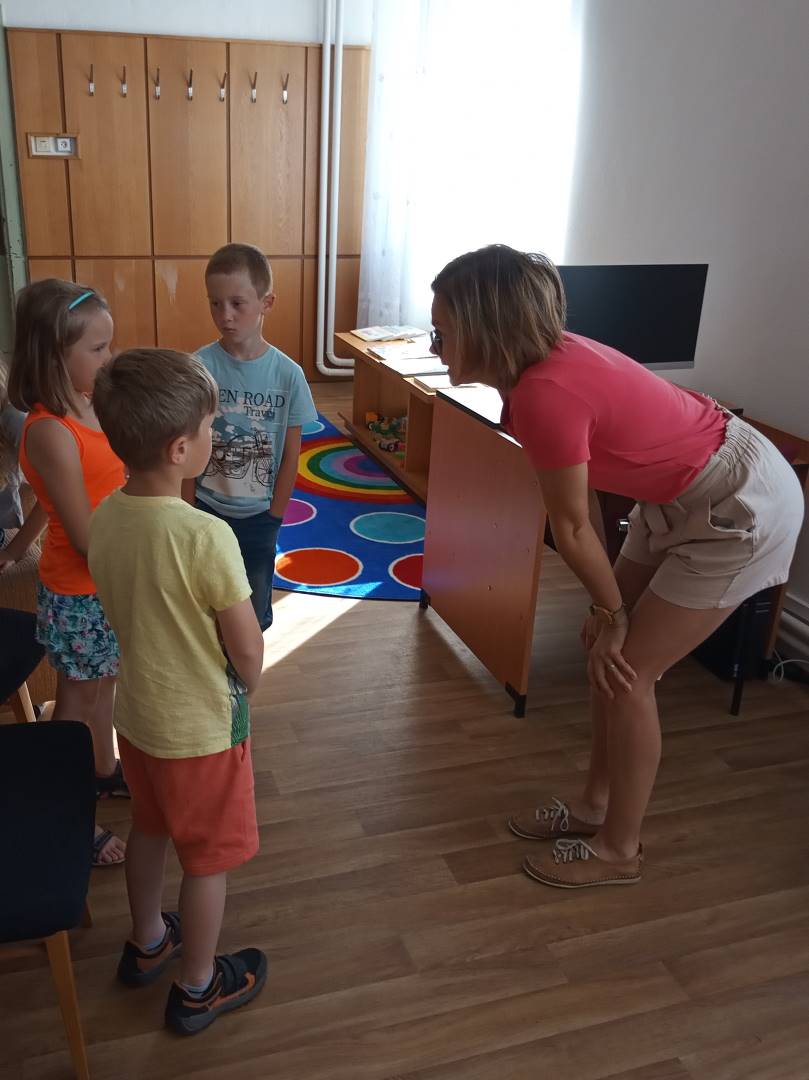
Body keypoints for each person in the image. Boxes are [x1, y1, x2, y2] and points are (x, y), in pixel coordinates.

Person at [429, 244, 805, 889]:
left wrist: (612, 613)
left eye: (444, 331)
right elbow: (587, 507)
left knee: (628, 674)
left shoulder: (546, 393)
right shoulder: (538, 369)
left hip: (737, 504)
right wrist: (607, 611)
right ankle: (592, 806)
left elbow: (572, 527)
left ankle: (619, 850)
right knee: (605, 655)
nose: (435, 345)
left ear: (489, 330)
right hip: (680, 493)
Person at [89, 347, 267, 1035]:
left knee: (150, 827)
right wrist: (250, 680)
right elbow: (245, 645)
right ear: (180, 448)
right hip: (200, 731)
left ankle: (146, 940)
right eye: (211, 426)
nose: (215, 435)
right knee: (207, 860)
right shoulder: (206, 536)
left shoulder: (107, 516)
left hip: (137, 719)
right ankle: (197, 985)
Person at [7, 279, 127, 867]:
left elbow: (54, 498)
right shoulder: (50, 429)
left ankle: (104, 772)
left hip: (109, 581)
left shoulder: (88, 402)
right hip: (82, 591)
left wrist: (15, 546)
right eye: (98, 349)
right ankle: (72, 819)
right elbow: (82, 534)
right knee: (75, 708)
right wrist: (154, 553)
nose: (110, 358)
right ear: (55, 357)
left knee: (105, 687)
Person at [186, 242, 317, 630]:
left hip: (260, 519)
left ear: (266, 302)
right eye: (215, 303)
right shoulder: (199, 366)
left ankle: (244, 668)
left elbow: (291, 455)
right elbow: (188, 444)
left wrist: (275, 515)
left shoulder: (289, 375)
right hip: (206, 512)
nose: (224, 315)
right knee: (204, 607)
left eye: (237, 303)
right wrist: (188, 508)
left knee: (251, 613)